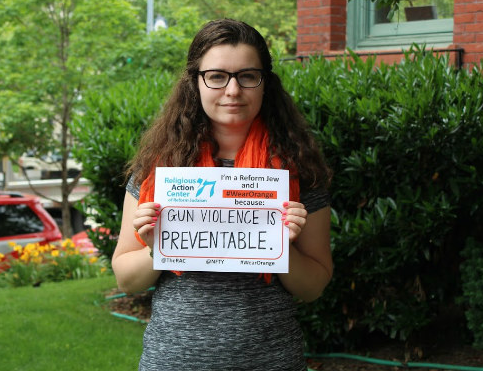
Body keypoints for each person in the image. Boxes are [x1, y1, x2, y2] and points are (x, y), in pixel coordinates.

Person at [112, 19, 333, 371]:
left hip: (271, 361)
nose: (233, 90)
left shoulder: (299, 170)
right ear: (195, 82)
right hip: (173, 362)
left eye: (247, 76)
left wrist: (281, 248)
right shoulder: (158, 169)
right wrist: (158, 245)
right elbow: (126, 279)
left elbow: (313, 287)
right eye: (216, 76)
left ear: (265, 84)